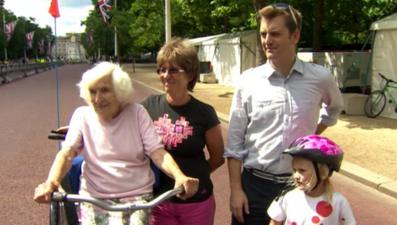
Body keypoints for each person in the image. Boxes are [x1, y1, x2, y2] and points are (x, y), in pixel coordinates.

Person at [33, 62, 199, 225]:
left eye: (105, 90)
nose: (97, 99)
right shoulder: (82, 115)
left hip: (136, 198)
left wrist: (179, 176)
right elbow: (67, 153)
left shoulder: (137, 113)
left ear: (120, 91)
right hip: (94, 198)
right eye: (92, 92)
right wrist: (51, 182)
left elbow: (157, 152)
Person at [224, 3, 344, 225]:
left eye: (275, 33)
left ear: (295, 36)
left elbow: (334, 109)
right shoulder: (247, 81)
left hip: (300, 188)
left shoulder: (320, 78)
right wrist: (235, 191)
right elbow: (234, 144)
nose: (267, 40)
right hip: (255, 189)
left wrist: (313, 138)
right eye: (263, 34)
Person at [141, 38, 225, 225]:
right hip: (159, 200)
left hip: (196, 203)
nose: (165, 75)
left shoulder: (205, 112)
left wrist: (197, 176)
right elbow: (119, 120)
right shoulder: (148, 106)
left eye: (173, 70)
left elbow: (218, 157)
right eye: (162, 69)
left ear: (189, 74)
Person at [267, 135, 356, 225]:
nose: (296, 176)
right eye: (294, 170)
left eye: (302, 170)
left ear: (323, 172)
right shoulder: (288, 197)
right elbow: (274, 222)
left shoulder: (338, 202)